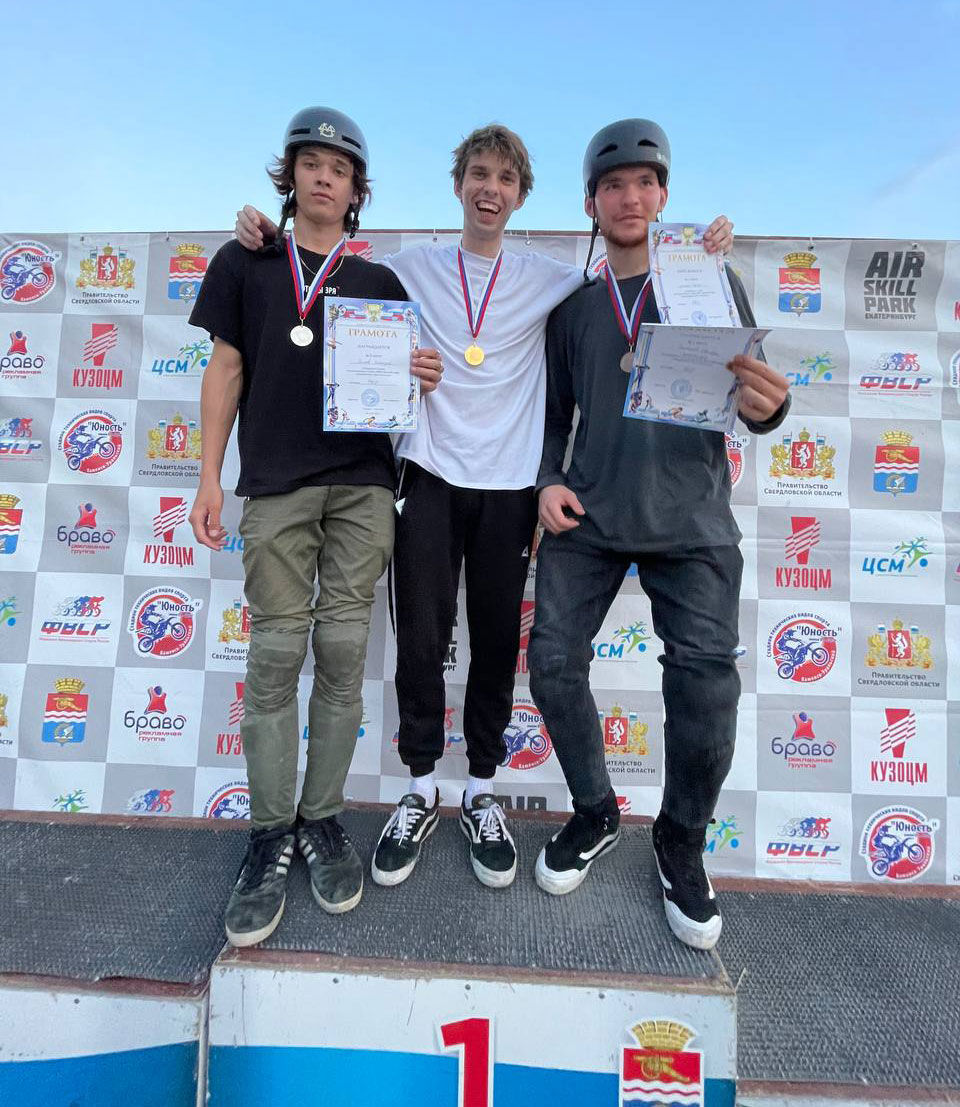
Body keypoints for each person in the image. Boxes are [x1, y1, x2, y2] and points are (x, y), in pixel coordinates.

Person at [234, 125, 734, 893]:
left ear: (521, 195)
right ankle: (419, 787)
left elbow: (629, 267)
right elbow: (330, 262)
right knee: (421, 638)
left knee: (498, 643)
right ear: (458, 184)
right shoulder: (411, 267)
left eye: (505, 177)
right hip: (429, 475)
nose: (490, 188)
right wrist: (269, 237)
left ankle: (481, 790)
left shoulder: (555, 279)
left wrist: (699, 250)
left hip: (510, 487)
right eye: (478, 174)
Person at [528, 118, 790, 951]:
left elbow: (755, 395)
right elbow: (552, 417)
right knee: (551, 661)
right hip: (592, 513)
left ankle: (680, 839)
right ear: (591, 205)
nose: (630, 197)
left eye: (645, 182)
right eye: (613, 186)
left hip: (691, 518)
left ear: (664, 195)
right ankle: (596, 810)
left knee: (706, 683)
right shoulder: (573, 309)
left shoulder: (711, 282)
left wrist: (773, 408)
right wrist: (547, 480)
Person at [189, 106, 442, 947]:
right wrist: (207, 478)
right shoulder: (245, 260)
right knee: (273, 654)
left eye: (341, 168)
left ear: (356, 189)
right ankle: (269, 833)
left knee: (340, 652)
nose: (325, 176)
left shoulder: (379, 282)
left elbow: (406, 388)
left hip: (363, 488)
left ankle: (322, 819)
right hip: (275, 486)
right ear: (290, 176)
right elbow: (226, 368)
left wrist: (421, 373)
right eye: (312, 163)